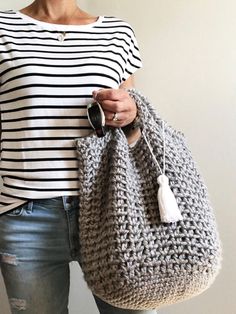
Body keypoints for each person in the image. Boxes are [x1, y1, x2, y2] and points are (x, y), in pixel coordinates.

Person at [0, 1, 156, 313]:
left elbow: (133, 136)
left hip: (112, 208)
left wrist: (132, 112)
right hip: (25, 213)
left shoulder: (117, 33)